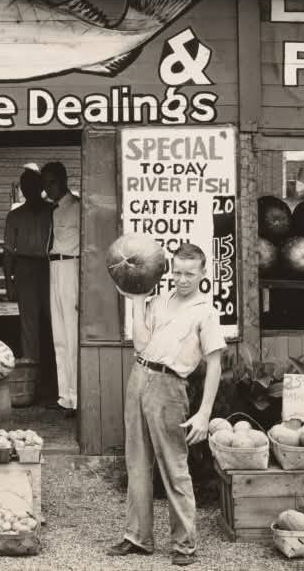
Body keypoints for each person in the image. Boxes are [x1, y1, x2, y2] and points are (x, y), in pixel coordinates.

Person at [108, 242, 226, 567]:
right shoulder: (160, 300)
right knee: (136, 463)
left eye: (190, 273)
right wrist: (136, 302)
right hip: (140, 376)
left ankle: (184, 545)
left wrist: (204, 414)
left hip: (170, 387)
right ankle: (138, 538)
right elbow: (141, 343)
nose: (182, 279)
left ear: (204, 273)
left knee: (174, 467)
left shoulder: (206, 312)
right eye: (178, 272)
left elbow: (214, 365)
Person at [2, 168, 51, 370]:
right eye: (25, 186)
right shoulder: (14, 215)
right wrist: (8, 283)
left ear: (41, 187)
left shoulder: (53, 211)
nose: (29, 190)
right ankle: (32, 372)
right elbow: (7, 252)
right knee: (28, 322)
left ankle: (56, 370)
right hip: (24, 267)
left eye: (33, 185)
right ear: (22, 189)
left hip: (50, 267)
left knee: (55, 318)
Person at [41, 161, 80, 418]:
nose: (47, 188)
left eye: (51, 182)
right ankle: (65, 395)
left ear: (63, 180)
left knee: (72, 333)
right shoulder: (53, 211)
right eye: (45, 183)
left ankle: (77, 397)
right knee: (59, 336)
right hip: (54, 268)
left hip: (71, 267)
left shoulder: (77, 208)